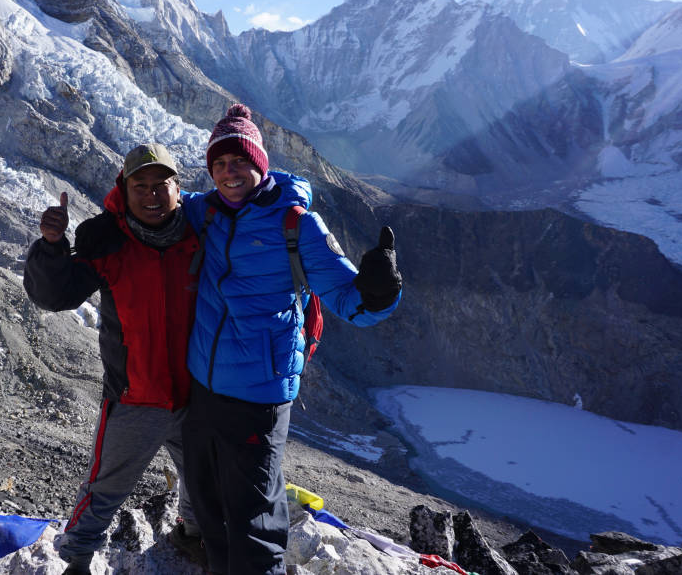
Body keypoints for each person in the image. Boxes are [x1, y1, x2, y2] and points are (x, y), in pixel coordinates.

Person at [180, 104, 403, 575]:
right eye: (219, 164)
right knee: (209, 505)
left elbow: (349, 302)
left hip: (259, 395)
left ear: (259, 165)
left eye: (238, 161)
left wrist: (380, 290)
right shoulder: (207, 212)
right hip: (204, 387)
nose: (228, 172)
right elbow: (157, 206)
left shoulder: (296, 223)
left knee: (254, 523)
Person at [23, 143, 204, 574]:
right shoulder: (107, 242)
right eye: (140, 186)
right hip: (135, 395)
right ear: (124, 191)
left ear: (179, 189)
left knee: (205, 477)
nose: (152, 195)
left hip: (197, 391)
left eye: (161, 185)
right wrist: (51, 247)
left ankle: (193, 535)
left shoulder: (202, 232)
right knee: (106, 488)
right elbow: (54, 295)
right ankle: (77, 560)